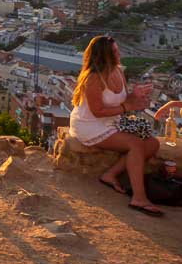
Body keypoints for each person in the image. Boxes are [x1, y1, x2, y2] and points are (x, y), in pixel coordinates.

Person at [69, 35, 162, 217]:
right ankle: (139, 197)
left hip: (111, 123)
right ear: (103, 56)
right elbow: (97, 111)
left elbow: (122, 101)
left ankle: (110, 174)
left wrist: (135, 96)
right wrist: (127, 106)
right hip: (90, 125)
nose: (119, 54)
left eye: (118, 50)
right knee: (134, 144)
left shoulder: (118, 71)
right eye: (115, 52)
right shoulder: (93, 79)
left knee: (152, 144)